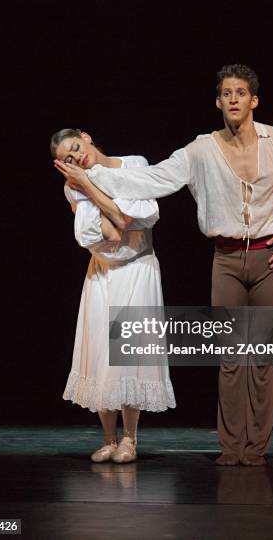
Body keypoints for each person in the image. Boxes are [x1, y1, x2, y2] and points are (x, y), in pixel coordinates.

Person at [60, 65, 273, 466]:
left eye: (240, 92)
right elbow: (152, 181)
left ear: (253, 100)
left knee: (261, 357)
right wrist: (91, 179)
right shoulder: (201, 149)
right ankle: (231, 449)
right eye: (226, 93)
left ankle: (255, 449)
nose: (233, 99)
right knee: (231, 358)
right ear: (218, 101)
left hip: (270, 256)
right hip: (226, 258)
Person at [51, 129, 176, 464]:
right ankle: (108, 438)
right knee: (102, 355)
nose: (77, 158)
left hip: (137, 269)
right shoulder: (70, 189)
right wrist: (110, 211)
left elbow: (138, 216)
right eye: (68, 159)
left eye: (76, 148)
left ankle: (130, 439)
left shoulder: (133, 164)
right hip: (103, 272)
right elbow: (91, 235)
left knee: (128, 356)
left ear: (86, 137)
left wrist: (92, 189)